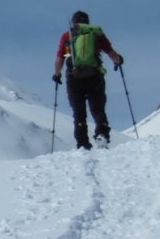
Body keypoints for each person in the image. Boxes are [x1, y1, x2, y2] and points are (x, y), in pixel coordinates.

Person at [53, 10, 125, 149]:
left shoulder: (68, 35)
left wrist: (57, 75)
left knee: (79, 113)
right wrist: (118, 60)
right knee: (98, 109)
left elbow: (60, 58)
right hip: (95, 76)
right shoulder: (96, 34)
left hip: (74, 78)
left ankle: (82, 143)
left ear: (74, 22)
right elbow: (110, 52)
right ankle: (102, 135)